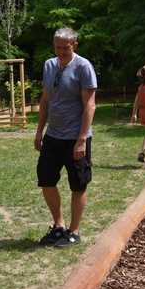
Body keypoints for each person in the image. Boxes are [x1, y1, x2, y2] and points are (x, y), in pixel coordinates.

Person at [34, 27, 97, 247]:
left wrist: (81, 139)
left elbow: (90, 104)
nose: (61, 51)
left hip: (75, 136)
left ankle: (74, 230)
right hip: (53, 135)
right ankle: (58, 225)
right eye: (57, 47)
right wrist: (39, 130)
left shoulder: (83, 67)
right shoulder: (49, 65)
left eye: (65, 47)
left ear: (74, 45)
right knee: (46, 179)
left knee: (78, 185)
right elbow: (45, 100)